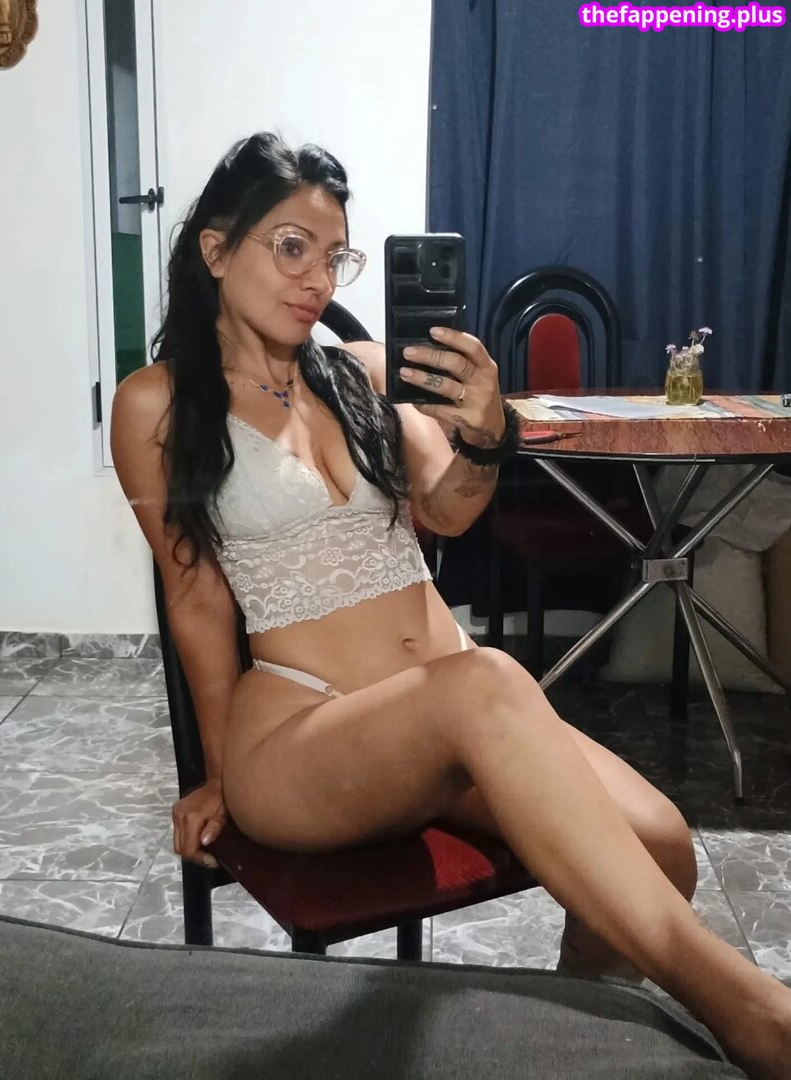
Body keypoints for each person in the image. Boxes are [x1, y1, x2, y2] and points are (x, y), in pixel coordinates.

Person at [111, 132, 791, 1078]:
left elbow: (452, 508)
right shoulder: (156, 404)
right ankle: (756, 1014)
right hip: (303, 734)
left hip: (451, 714)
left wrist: (483, 436)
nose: (316, 279)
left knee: (666, 843)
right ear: (216, 250)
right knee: (488, 681)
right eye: (291, 246)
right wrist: (217, 770)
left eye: (334, 255)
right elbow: (193, 598)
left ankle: (566, 1045)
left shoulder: (358, 374)